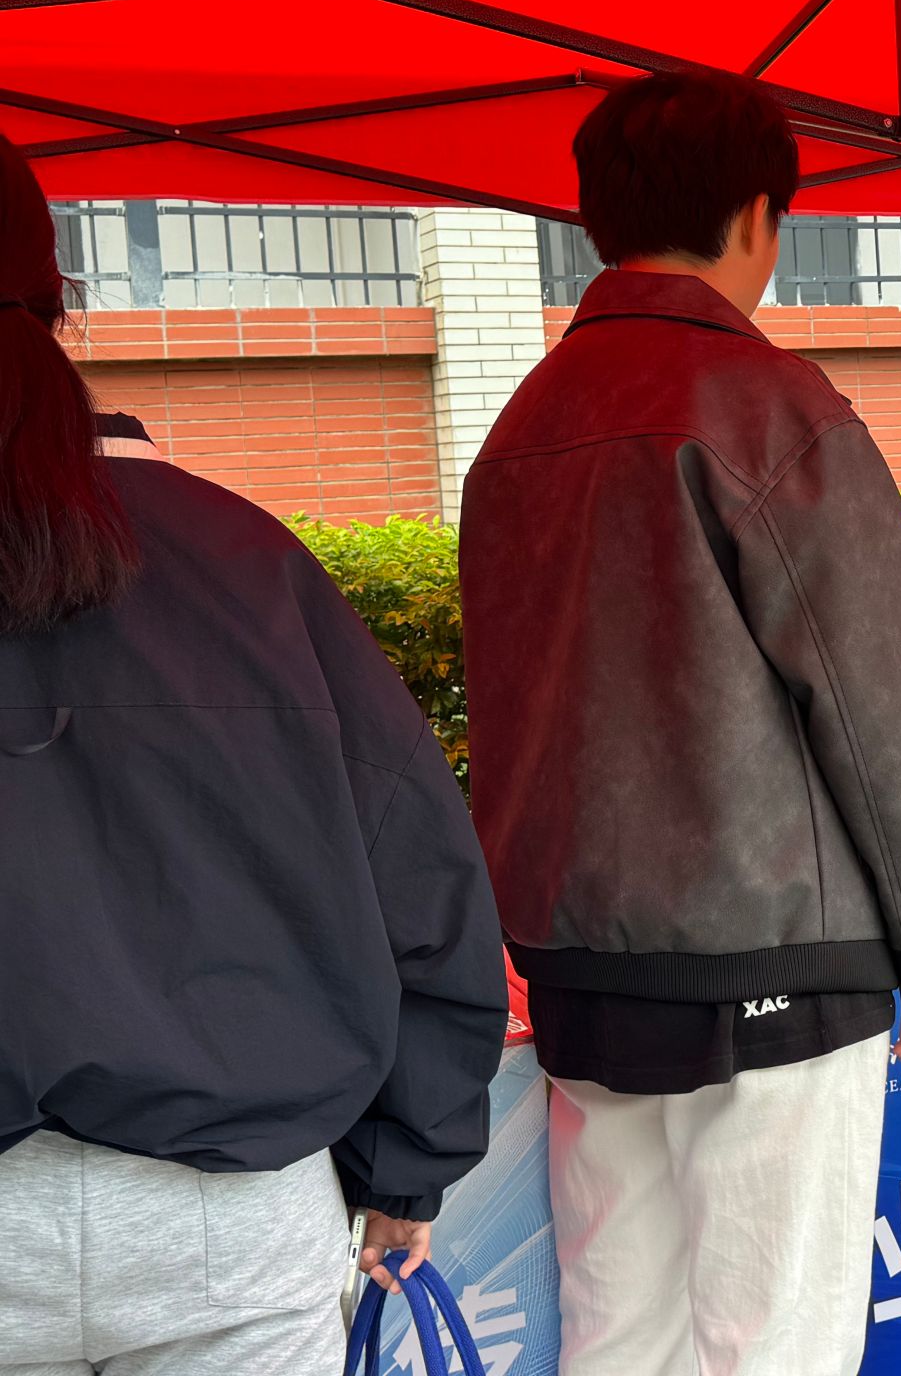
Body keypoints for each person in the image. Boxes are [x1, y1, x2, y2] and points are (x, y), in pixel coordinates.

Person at [460, 69, 901, 1376]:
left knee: (617, 1335)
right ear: (759, 215)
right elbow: (876, 698)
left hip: (582, 966)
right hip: (775, 956)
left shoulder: (521, 425)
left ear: (597, 217)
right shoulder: (768, 405)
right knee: (774, 1343)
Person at [0, 133, 505, 1375]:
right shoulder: (244, 561)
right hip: (230, 1218)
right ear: (58, 296)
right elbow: (423, 886)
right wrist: (407, 1164)